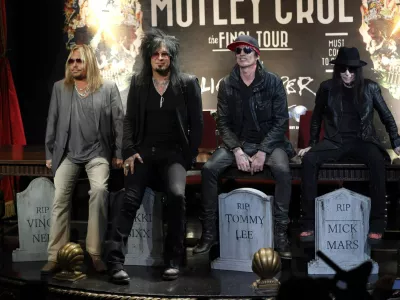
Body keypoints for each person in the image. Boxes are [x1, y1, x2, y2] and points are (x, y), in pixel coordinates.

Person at [106, 29, 203, 284]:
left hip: (173, 155)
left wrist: (187, 157)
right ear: (149, 57)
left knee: (177, 194)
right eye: (156, 54)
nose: (160, 58)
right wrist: (129, 151)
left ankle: (173, 261)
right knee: (128, 198)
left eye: (165, 54)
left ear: (172, 58)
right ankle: (115, 262)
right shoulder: (138, 83)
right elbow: (128, 122)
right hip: (143, 154)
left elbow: (198, 124)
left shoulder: (187, 84)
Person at [193, 35, 295, 259]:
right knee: (209, 169)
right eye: (237, 51)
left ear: (257, 54)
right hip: (237, 144)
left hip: (269, 143)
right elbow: (223, 122)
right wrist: (237, 150)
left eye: (246, 50)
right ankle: (209, 234)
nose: (241, 54)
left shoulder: (273, 81)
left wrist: (262, 151)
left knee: (283, 170)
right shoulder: (227, 84)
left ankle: (280, 235)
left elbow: (280, 122)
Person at [298, 46, 400, 244]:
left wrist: (396, 142)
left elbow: (387, 116)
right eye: (343, 69)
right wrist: (311, 143)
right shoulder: (327, 88)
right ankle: (308, 223)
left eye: (351, 70)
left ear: (357, 71)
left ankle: (377, 224)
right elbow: (317, 118)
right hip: (335, 141)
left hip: (363, 140)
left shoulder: (370, 87)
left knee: (378, 162)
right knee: (309, 160)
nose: (347, 74)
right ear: (337, 69)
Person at [42, 44, 124, 274]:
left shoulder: (107, 88)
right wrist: (49, 154)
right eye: (71, 61)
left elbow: (119, 122)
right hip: (68, 154)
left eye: (79, 61)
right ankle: (55, 255)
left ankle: (95, 253)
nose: (74, 65)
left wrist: (118, 153)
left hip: (97, 153)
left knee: (99, 192)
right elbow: (52, 121)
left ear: (89, 62)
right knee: (59, 197)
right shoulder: (61, 88)